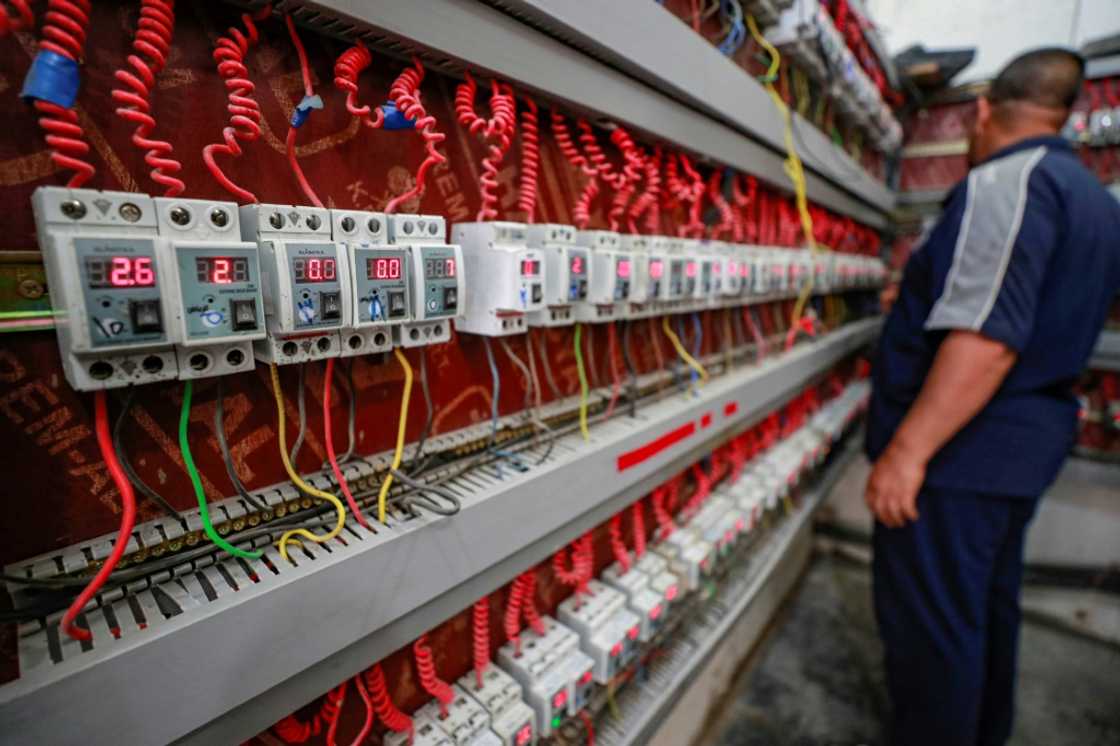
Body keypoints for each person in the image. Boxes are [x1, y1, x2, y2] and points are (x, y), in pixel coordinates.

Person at [864, 47, 1120, 746]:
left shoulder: (1008, 181)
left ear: (982, 112)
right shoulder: (1095, 199)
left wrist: (907, 453)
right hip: (1022, 445)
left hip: (959, 454)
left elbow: (986, 338)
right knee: (982, 608)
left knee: (932, 631)